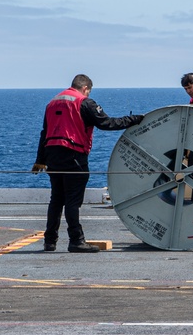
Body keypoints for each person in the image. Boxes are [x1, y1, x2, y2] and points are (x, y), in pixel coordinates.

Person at [32, 74, 144, 253]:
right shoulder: (84, 103)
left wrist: (39, 160)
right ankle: (76, 240)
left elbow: (44, 133)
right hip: (73, 156)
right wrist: (134, 120)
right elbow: (107, 123)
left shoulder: (52, 103)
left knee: (56, 199)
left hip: (52, 155)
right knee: (72, 201)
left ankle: (50, 241)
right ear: (85, 89)